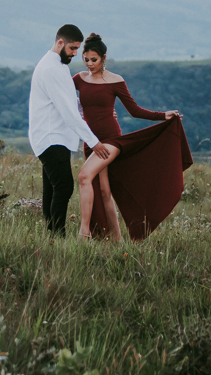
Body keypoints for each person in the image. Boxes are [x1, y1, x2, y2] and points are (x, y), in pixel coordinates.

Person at [73, 33, 193, 241]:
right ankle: (117, 241)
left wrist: (162, 115)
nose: (90, 64)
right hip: (91, 141)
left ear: (103, 58)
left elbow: (134, 110)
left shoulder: (115, 81)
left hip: (111, 139)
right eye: (86, 60)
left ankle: (84, 232)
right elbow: (65, 101)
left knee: (84, 177)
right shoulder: (79, 79)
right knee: (103, 190)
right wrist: (80, 113)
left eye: (94, 60)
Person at [28, 24, 110, 236]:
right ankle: (57, 236)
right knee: (64, 187)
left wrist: (94, 108)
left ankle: (52, 238)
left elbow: (70, 102)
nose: (75, 53)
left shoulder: (58, 66)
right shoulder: (51, 69)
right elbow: (69, 113)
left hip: (54, 137)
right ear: (60, 43)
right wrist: (94, 142)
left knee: (52, 189)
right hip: (51, 137)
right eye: (73, 48)